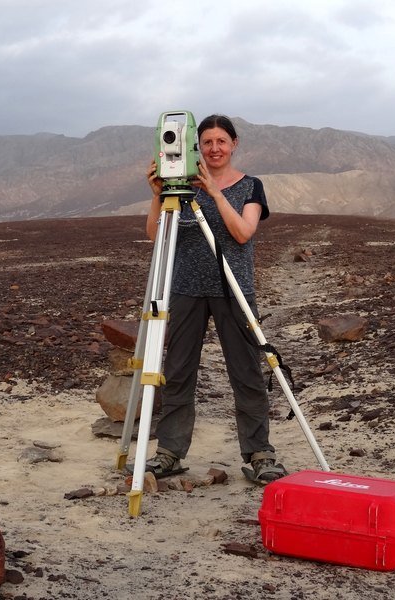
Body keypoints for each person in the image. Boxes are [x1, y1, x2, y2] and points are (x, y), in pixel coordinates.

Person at [143, 114, 286, 483]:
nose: (214, 148)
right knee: (177, 374)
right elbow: (155, 235)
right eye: (206, 142)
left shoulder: (250, 186)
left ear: (234, 143)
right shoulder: (181, 186)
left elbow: (242, 233)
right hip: (186, 288)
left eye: (221, 141)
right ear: (196, 146)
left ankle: (259, 453)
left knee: (247, 374)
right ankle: (170, 452)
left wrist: (214, 193)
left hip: (233, 289)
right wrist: (159, 194)